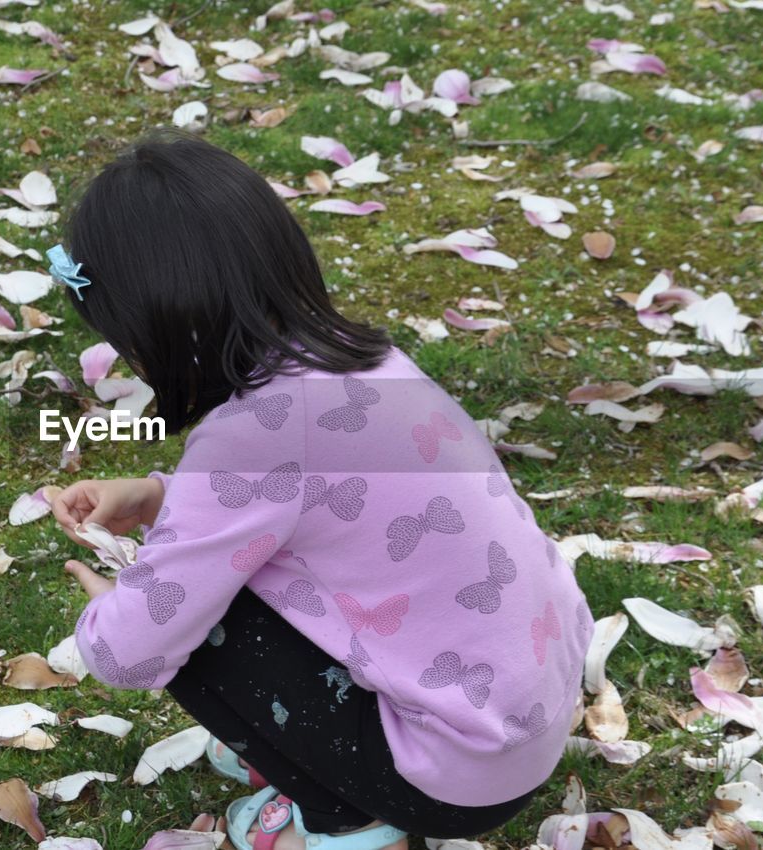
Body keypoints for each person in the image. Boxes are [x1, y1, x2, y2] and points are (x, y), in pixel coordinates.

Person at [48, 132, 592, 850]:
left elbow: (133, 652)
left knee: (191, 629)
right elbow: (308, 501)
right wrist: (156, 494)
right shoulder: (363, 359)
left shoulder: (250, 436)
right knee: (219, 586)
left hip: (455, 775)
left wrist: (107, 614)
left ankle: (351, 823)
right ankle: (334, 758)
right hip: (523, 717)